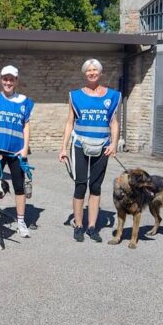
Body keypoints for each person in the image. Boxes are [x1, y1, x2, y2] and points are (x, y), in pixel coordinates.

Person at [58, 58, 121, 243]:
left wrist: (114, 144)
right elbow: (70, 122)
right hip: (80, 145)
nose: (92, 73)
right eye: (88, 70)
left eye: (95, 70)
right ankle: (79, 225)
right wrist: (63, 147)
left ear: (101, 73)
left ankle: (92, 227)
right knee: (80, 185)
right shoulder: (75, 96)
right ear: (84, 74)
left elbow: (114, 122)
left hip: (102, 146)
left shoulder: (112, 96)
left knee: (95, 186)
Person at [0, 65, 34, 237]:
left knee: (19, 187)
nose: (8, 82)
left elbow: (26, 126)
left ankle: (21, 222)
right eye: (5, 79)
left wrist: (25, 149)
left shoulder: (25, 101)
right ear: (1, 80)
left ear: (16, 81)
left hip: (17, 153)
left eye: (11, 79)